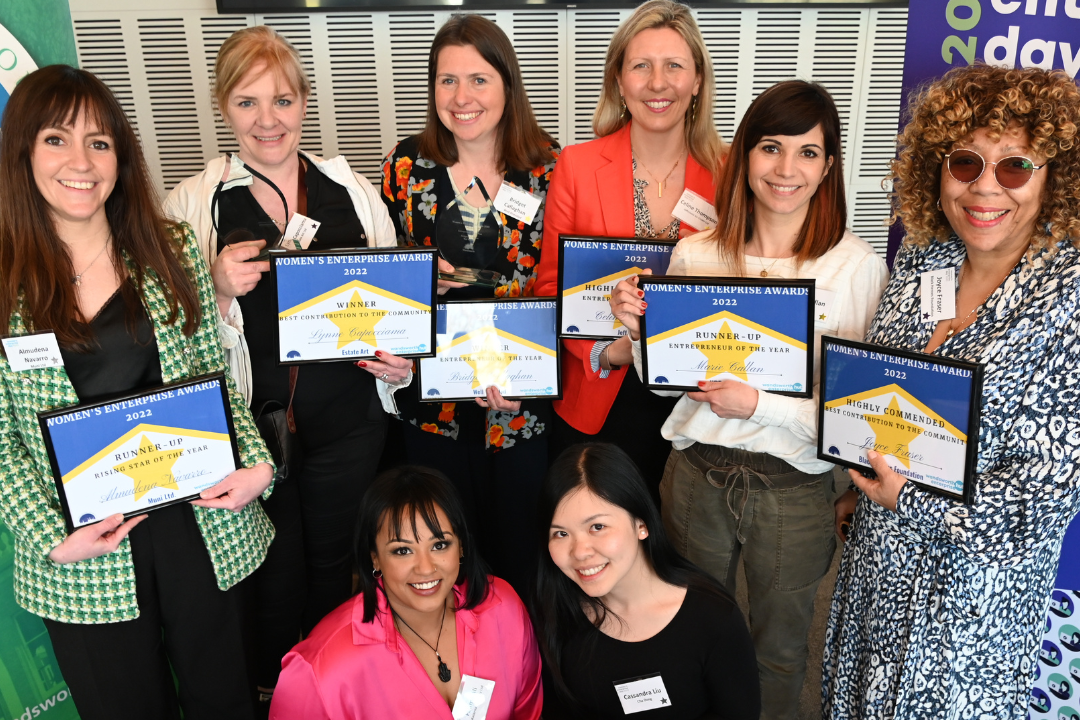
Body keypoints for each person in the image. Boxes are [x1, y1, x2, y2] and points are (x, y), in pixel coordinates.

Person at [0, 65, 274, 719]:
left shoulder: (168, 246)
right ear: (22, 153)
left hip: (199, 519)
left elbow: (212, 375)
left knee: (225, 701)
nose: (81, 162)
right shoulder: (4, 278)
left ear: (120, 156)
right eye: (56, 139)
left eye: (99, 142)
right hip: (82, 546)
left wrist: (257, 463)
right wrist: (51, 536)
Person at [609, 80, 888, 720]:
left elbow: (857, 413)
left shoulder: (855, 267)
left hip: (793, 488)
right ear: (745, 155)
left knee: (780, 651)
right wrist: (638, 333)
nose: (786, 169)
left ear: (829, 166)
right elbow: (666, 382)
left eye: (807, 152)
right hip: (695, 475)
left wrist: (759, 404)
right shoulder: (697, 252)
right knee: (689, 636)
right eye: (770, 147)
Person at [163, 25, 413, 708]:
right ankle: (276, 696)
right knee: (270, 579)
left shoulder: (351, 190)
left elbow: (400, 309)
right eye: (247, 102)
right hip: (253, 434)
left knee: (337, 566)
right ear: (223, 107)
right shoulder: (192, 204)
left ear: (304, 101)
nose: (267, 120)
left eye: (282, 100)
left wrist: (401, 365)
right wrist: (214, 286)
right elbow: (167, 330)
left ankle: (333, 693)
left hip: (349, 424)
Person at [821, 65, 1080, 718]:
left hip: (968, 604)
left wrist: (909, 498)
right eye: (965, 162)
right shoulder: (922, 259)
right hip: (878, 561)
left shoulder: (1069, 298)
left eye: (1015, 167)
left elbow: (1040, 503)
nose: (985, 187)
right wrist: (863, 483)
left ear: (1054, 179)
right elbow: (884, 392)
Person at [380, 14, 559, 593]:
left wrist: (540, 373)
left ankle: (518, 649)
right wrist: (411, 285)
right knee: (439, 555)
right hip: (432, 400)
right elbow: (379, 274)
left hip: (520, 398)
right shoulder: (405, 167)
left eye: (479, 79)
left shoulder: (550, 169)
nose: (462, 97)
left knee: (520, 554)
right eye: (448, 80)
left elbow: (561, 286)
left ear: (508, 84)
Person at [533, 0, 722, 495]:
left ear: (697, 80)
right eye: (641, 66)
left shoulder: (729, 173)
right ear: (619, 80)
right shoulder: (577, 166)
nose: (658, 83)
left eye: (674, 66)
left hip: (698, 404)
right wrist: (609, 353)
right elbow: (551, 287)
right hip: (601, 394)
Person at [270, 466, 543, 719]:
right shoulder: (321, 669)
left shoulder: (503, 607)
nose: (426, 568)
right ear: (375, 558)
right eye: (402, 550)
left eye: (439, 545)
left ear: (461, 546)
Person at [532, 443, 759, 719]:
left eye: (597, 527)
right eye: (561, 534)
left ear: (641, 524)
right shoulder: (556, 609)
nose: (579, 552)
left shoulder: (714, 619)